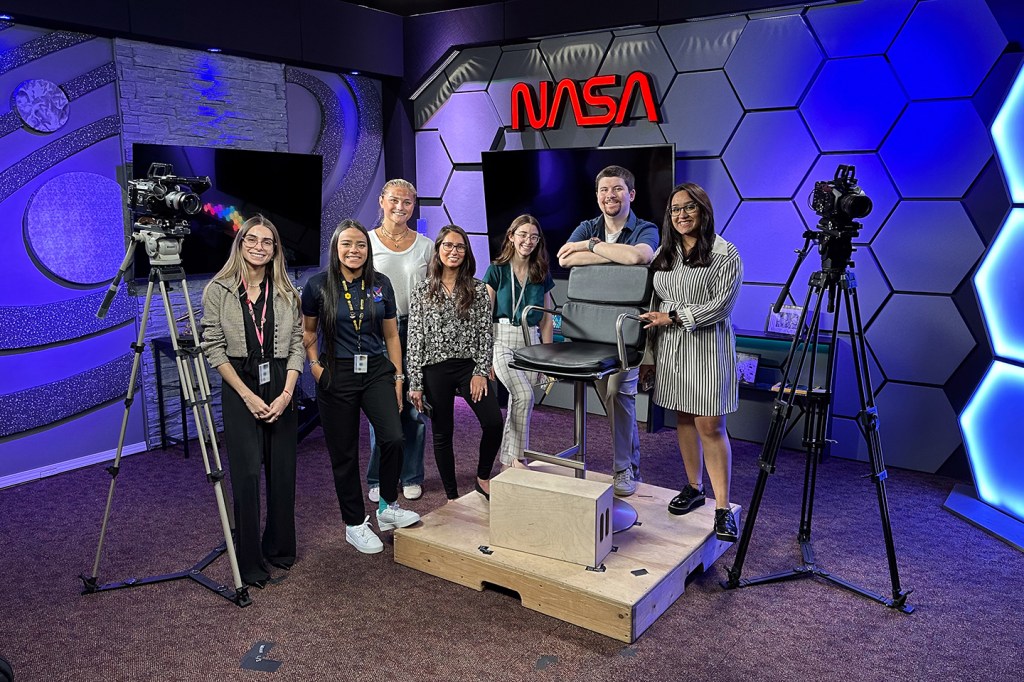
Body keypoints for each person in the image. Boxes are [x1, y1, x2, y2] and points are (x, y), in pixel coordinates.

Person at [301, 219, 420, 555]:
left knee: (394, 437)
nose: (354, 251)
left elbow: (392, 335)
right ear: (336, 248)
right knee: (345, 452)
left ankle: (386, 507)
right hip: (335, 374)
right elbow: (308, 332)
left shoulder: (380, 284)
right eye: (347, 245)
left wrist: (398, 377)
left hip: (376, 372)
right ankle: (354, 523)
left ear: (368, 250)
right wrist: (315, 366)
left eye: (360, 245)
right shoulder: (317, 286)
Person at [200, 215, 305, 588]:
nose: (259, 246)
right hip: (240, 384)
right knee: (246, 475)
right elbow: (212, 347)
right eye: (252, 239)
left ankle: (279, 548)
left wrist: (287, 393)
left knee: (282, 473)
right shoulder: (219, 289)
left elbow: (296, 347)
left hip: (280, 384)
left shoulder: (288, 293)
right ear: (241, 243)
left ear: (275, 249)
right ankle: (249, 561)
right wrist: (246, 395)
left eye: (267, 241)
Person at [638, 182, 743, 542]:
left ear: (703, 210)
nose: (681, 215)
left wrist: (674, 317)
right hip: (670, 349)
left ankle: (723, 507)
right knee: (684, 416)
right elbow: (651, 308)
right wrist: (649, 357)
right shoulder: (663, 254)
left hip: (708, 348)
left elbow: (720, 306)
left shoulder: (724, 253)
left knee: (710, 425)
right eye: (675, 210)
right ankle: (695, 487)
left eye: (689, 208)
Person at [556, 165, 659, 497]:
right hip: (590, 332)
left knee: (617, 394)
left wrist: (594, 248)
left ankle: (622, 467)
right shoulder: (589, 226)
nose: (609, 196)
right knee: (614, 400)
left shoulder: (645, 228)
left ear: (630, 194)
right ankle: (633, 459)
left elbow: (638, 256)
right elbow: (564, 258)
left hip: (626, 333)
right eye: (603, 190)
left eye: (616, 189)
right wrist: (606, 250)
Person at [407, 225, 502, 501]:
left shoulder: (479, 289)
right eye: (447, 245)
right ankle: (451, 496)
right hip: (434, 368)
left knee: (494, 423)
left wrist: (481, 371)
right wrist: (415, 382)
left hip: (468, 368)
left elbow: (486, 333)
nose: (454, 251)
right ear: (438, 250)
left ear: (467, 252)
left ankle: (482, 477)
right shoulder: (423, 290)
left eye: (460, 246)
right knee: (442, 433)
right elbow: (415, 337)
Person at [365, 179, 433, 503]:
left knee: (414, 408)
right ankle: (378, 476)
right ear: (382, 201)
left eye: (407, 202)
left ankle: (411, 475)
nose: (400, 207)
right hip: (376, 330)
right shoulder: (364, 243)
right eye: (394, 200)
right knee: (382, 406)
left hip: (415, 330)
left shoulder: (425, 246)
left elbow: (435, 292)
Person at [483, 215, 555, 468]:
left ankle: (507, 459)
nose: (528, 241)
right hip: (501, 340)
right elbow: (484, 317)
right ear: (511, 236)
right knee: (524, 395)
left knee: (519, 398)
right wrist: (484, 357)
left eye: (534, 237)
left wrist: (546, 359)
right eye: (523, 235)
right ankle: (516, 458)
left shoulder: (541, 271)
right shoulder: (496, 270)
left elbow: (546, 320)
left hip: (531, 340)